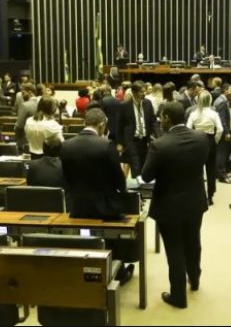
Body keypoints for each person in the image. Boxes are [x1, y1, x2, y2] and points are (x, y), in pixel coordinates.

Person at [142, 102, 210, 309]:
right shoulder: (201, 138)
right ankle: (195, 279)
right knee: (193, 241)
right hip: (195, 201)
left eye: (161, 117)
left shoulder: (160, 145)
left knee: (174, 249)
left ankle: (178, 296)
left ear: (168, 119)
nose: (160, 120)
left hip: (168, 204)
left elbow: (146, 176)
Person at [61, 108, 135, 285]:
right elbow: (119, 180)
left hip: (78, 206)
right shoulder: (106, 145)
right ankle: (119, 272)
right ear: (102, 125)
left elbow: (66, 179)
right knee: (122, 227)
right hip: (105, 208)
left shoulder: (67, 145)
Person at [186, 91, 223, 206]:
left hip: (197, 141)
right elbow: (220, 129)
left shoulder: (193, 114)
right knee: (211, 169)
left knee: (197, 170)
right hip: (210, 140)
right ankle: (210, 196)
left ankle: (197, 195)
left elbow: (188, 128)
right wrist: (215, 141)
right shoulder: (214, 114)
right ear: (210, 100)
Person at [120, 81, 157, 177]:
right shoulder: (125, 106)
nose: (144, 94)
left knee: (144, 166)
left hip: (145, 140)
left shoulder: (148, 103)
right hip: (131, 140)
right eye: (141, 92)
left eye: (144, 91)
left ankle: (142, 188)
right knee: (136, 166)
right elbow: (120, 125)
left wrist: (158, 135)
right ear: (133, 92)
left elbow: (153, 121)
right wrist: (119, 143)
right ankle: (138, 188)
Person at [212, 83, 231, 184]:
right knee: (221, 154)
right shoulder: (221, 102)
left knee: (221, 153)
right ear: (225, 90)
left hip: (220, 131)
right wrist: (226, 132)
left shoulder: (222, 100)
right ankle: (222, 175)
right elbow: (222, 119)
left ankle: (220, 172)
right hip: (221, 132)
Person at [14, 83, 39, 152]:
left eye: (23, 93)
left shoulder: (25, 106)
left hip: (25, 140)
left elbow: (20, 125)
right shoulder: (41, 103)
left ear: (30, 92)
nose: (22, 95)